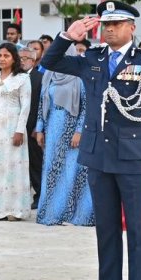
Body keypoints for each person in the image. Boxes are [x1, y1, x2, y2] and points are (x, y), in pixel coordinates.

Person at [40, 1, 141, 280]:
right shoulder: (93, 59)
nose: (109, 29)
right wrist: (67, 36)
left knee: (138, 231)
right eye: (105, 24)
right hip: (98, 156)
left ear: (131, 27)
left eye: (116, 23)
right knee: (106, 230)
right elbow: (50, 61)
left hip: (135, 157)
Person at [34, 46, 93, 226]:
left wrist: (79, 132)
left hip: (72, 128)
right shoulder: (49, 75)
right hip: (53, 128)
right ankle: (52, 213)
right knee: (52, 170)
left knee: (72, 171)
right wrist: (39, 129)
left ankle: (74, 214)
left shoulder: (79, 77)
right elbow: (42, 103)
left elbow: (86, 107)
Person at [0, 43, 32, 220]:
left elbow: (25, 106)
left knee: (14, 168)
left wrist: (20, 130)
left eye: (6, 56)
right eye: (0, 55)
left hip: (13, 126)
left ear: (14, 58)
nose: (2, 59)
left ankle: (14, 210)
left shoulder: (22, 78)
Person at [19, 48, 43, 210]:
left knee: (35, 163)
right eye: (19, 58)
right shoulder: (15, 78)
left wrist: (39, 126)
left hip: (33, 127)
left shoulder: (40, 78)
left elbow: (43, 104)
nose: (22, 61)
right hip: (15, 128)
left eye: (26, 58)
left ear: (33, 61)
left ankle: (39, 195)